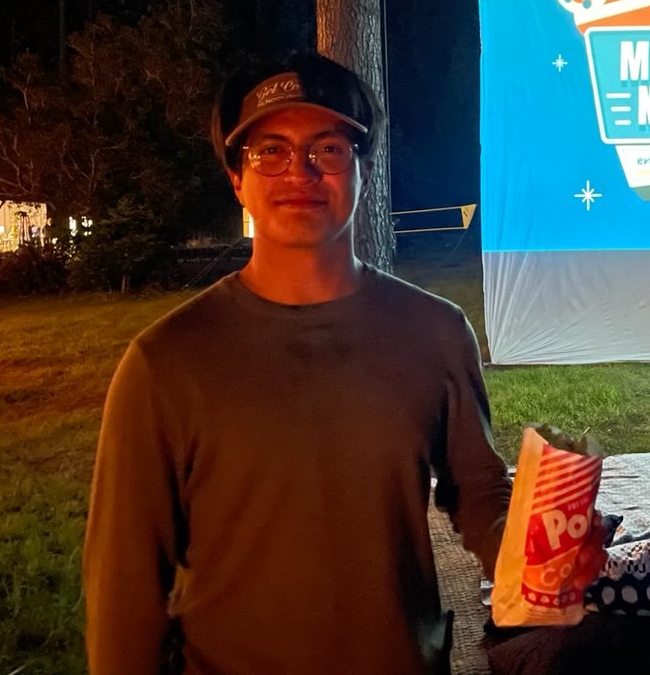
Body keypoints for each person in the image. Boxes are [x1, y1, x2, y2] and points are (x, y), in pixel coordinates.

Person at [83, 52, 513, 675]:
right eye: (270, 151)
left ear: (364, 169)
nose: (300, 172)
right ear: (237, 178)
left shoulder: (435, 332)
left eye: (329, 148)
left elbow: (477, 489)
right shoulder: (166, 362)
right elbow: (124, 588)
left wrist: (535, 550)